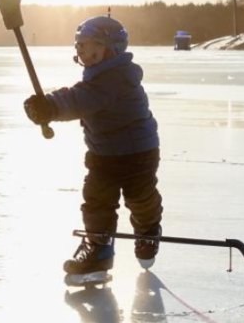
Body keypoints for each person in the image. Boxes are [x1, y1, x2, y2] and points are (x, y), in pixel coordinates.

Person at [23, 16, 162, 285]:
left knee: (140, 199)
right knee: (97, 201)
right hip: (102, 154)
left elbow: (81, 99)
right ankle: (98, 250)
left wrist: (50, 107)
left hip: (138, 153)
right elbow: (80, 94)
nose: (82, 51)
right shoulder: (96, 77)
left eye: (90, 45)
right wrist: (46, 105)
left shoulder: (117, 77)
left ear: (112, 49)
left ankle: (147, 229)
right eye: (79, 46)